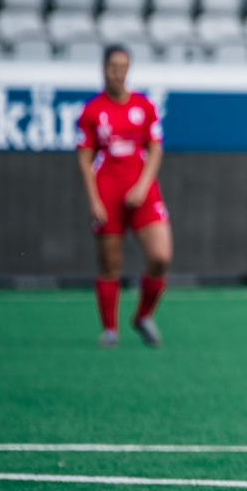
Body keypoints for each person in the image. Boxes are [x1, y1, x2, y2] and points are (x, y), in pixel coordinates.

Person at [75, 45, 171, 348]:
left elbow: (155, 148)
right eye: (113, 66)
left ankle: (143, 315)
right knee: (110, 263)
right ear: (103, 68)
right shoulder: (93, 111)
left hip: (142, 191)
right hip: (108, 192)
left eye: (124, 66)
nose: (118, 72)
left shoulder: (143, 107)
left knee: (160, 256)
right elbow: (85, 159)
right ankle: (109, 329)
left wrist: (143, 185)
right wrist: (93, 200)